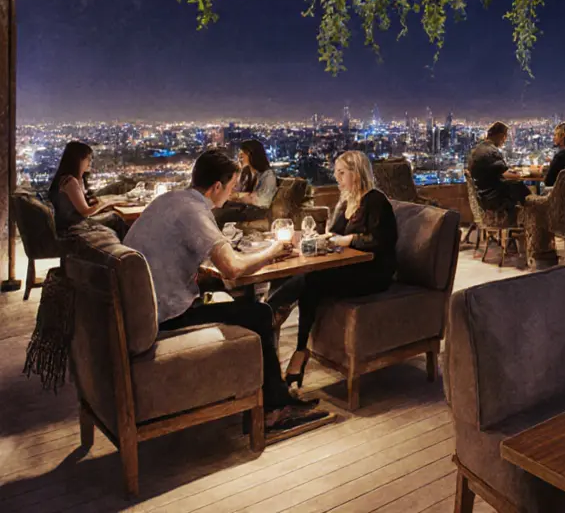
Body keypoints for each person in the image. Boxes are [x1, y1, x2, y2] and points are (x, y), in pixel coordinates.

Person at [123, 150, 322, 430]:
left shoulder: (170, 200)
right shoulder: (194, 211)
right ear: (217, 186)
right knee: (259, 314)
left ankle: (268, 393)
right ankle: (274, 410)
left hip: (141, 312)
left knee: (245, 306)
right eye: (230, 188)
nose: (230, 195)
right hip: (162, 318)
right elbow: (233, 268)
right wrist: (273, 250)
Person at [268, 151, 398, 387]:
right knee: (304, 280)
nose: (336, 177)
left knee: (310, 280)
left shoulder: (376, 200)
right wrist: (319, 239)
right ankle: (297, 347)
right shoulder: (346, 200)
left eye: (341, 173)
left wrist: (348, 240)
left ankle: (270, 311)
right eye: (336, 172)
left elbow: (382, 241)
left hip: (373, 273)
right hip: (348, 267)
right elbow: (335, 233)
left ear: (357, 173)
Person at [48, 141, 129, 238]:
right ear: (78, 160)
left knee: (112, 212)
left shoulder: (74, 179)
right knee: (115, 218)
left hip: (72, 222)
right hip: (72, 226)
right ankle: (130, 248)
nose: (90, 162)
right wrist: (107, 203)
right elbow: (85, 212)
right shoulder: (70, 182)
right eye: (88, 158)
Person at [467, 122, 530, 220]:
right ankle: (534, 215)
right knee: (518, 186)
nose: (504, 141)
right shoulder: (491, 151)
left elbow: (497, 171)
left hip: (482, 195)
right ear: (501, 136)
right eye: (505, 137)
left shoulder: (478, 149)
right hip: (492, 197)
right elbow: (506, 174)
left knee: (517, 188)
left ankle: (525, 220)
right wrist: (521, 174)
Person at [215, 139, 278, 225]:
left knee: (219, 214)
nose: (239, 159)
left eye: (242, 156)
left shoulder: (268, 175)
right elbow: (235, 191)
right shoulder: (246, 173)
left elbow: (264, 201)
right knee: (215, 208)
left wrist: (241, 196)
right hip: (243, 207)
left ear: (252, 156)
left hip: (258, 211)